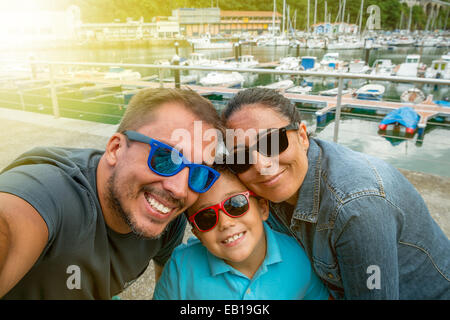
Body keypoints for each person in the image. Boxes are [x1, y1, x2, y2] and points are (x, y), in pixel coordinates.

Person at [221, 87, 450, 299]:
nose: (262, 166)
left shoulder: (357, 207)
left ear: (302, 136)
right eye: (241, 157)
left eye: (272, 142)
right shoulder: (259, 191)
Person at [0, 88, 223, 299]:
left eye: (199, 173)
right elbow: (11, 222)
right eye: (165, 157)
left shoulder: (169, 219)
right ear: (116, 149)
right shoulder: (51, 190)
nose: (179, 189)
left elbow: (166, 284)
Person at [153, 168, 329, 300]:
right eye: (206, 217)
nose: (225, 223)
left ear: (262, 208)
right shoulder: (181, 267)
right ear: (198, 234)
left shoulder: (298, 257)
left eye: (236, 204)